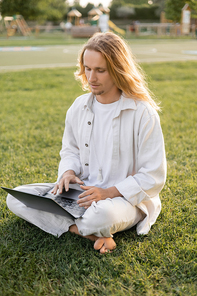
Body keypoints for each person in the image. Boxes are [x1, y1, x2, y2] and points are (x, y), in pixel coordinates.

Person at [6, 32, 166, 254]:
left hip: (124, 201)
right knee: (16, 198)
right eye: (87, 68)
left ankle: (88, 226)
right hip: (81, 193)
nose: (91, 77)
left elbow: (153, 177)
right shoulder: (79, 106)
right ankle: (89, 232)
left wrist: (107, 192)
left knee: (102, 216)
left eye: (100, 70)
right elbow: (70, 149)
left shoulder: (142, 113)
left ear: (118, 70)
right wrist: (68, 172)